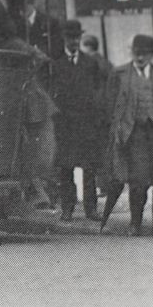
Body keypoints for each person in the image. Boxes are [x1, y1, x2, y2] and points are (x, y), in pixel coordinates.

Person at [100, 34, 153, 237]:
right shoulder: (119, 74)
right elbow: (108, 104)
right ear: (131, 52)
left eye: (144, 54)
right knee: (138, 179)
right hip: (133, 134)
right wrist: (116, 128)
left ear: (152, 55)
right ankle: (135, 223)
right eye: (137, 53)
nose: (140, 57)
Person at [50, 19, 109, 220]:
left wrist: (96, 115)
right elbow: (51, 92)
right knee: (65, 168)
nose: (73, 41)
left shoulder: (90, 63)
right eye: (70, 38)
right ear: (64, 38)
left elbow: (99, 90)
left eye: (76, 38)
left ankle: (91, 209)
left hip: (86, 123)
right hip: (66, 123)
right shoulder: (55, 64)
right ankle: (68, 208)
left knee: (89, 168)